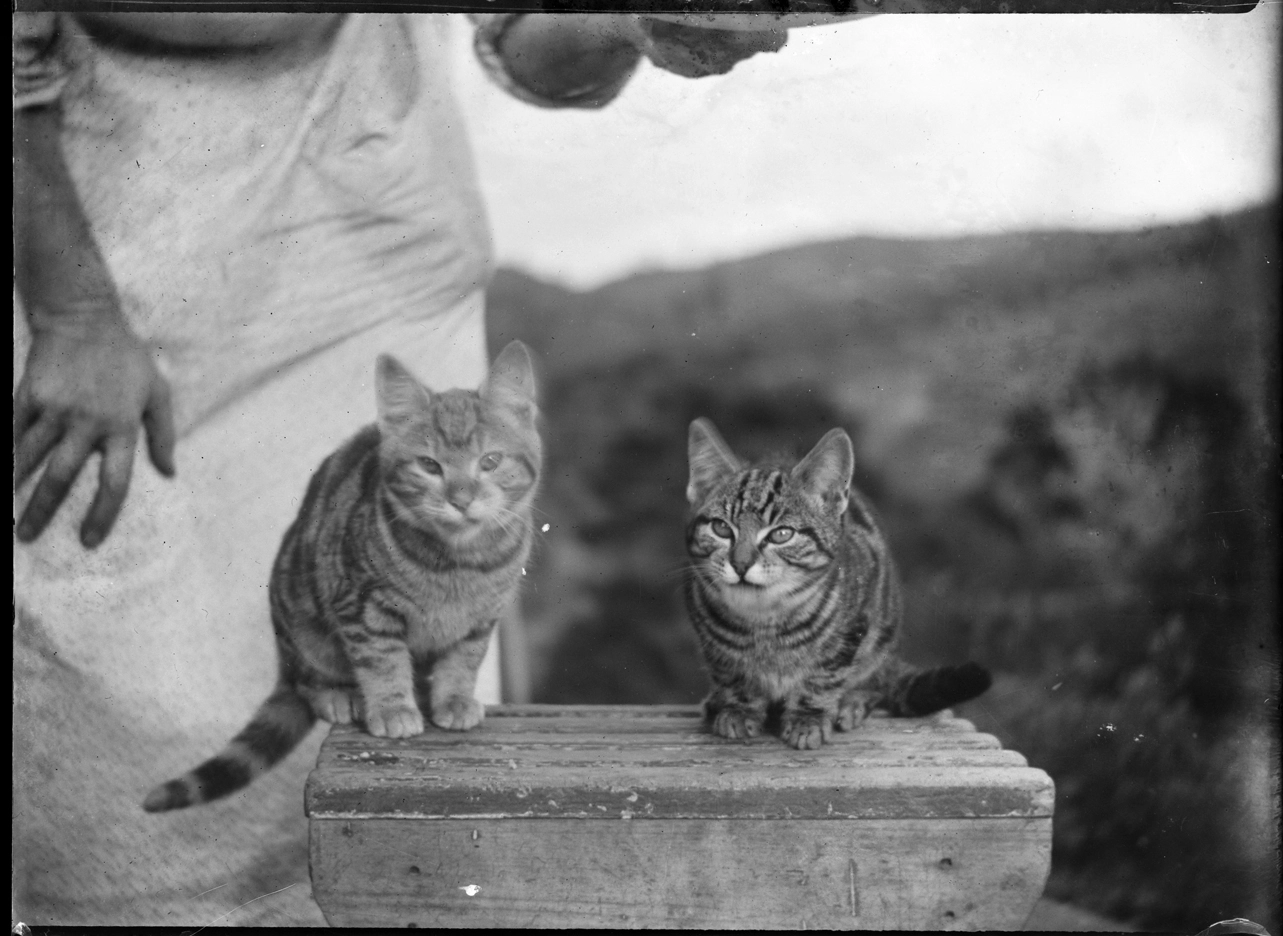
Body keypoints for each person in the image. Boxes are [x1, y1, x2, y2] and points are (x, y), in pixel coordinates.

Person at [12, 11, 788, 925]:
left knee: (411, 812)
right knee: (145, 790)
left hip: (393, 281)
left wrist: (629, 19)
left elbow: (524, 41)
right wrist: (73, 315)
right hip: (122, 298)